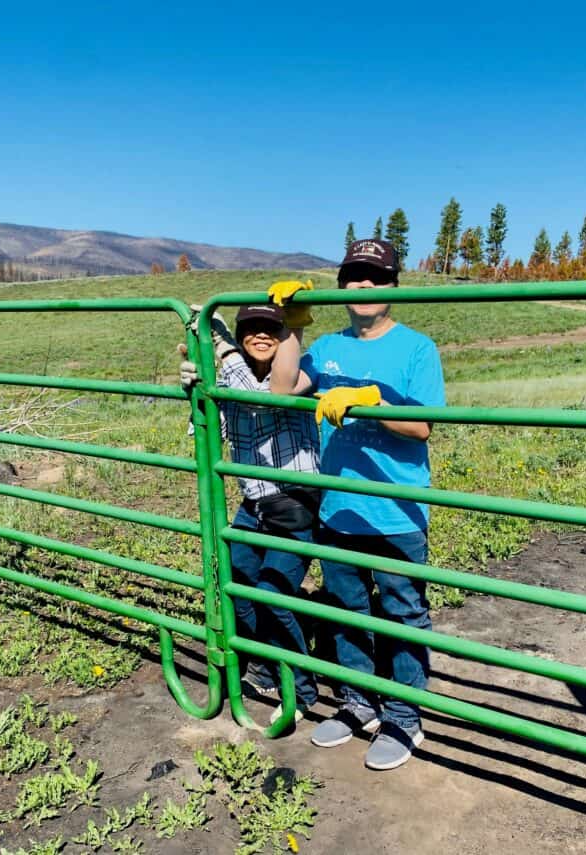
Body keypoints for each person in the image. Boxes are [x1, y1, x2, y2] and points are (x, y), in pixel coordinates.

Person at [269, 239, 445, 771]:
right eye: (354, 276)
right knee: (347, 611)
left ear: (394, 286)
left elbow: (422, 427)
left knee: (401, 613)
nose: (364, 286)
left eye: (376, 277)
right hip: (338, 507)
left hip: (397, 509)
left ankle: (404, 717)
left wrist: (372, 403)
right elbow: (281, 391)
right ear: (342, 286)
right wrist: (292, 327)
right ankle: (358, 703)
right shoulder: (323, 348)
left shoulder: (417, 349)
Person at [180, 300, 321, 720]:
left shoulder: (298, 372)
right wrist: (198, 384)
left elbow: (264, 401)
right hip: (253, 503)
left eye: (271, 328)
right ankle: (264, 665)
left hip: (294, 502)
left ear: (283, 336)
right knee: (235, 583)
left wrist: (222, 349)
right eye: (249, 328)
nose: (260, 335)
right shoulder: (232, 376)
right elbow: (207, 429)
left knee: (272, 594)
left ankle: (302, 691)